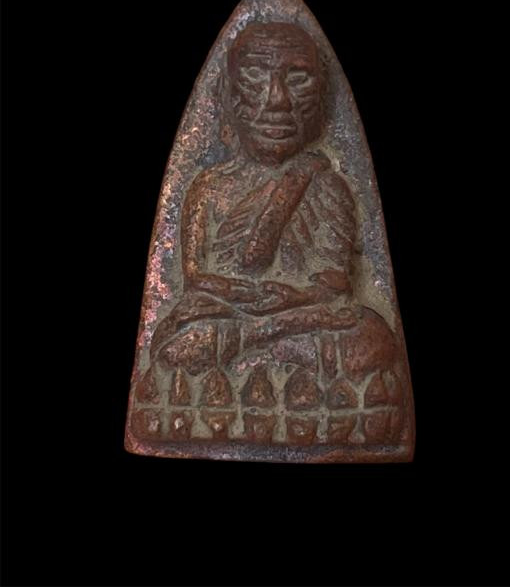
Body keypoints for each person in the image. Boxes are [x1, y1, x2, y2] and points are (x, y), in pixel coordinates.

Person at [134, 22, 404, 446]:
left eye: (298, 79)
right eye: (255, 76)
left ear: (321, 100)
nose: (277, 100)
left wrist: (290, 298)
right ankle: (302, 388)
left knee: (371, 337)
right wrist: (242, 295)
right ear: (229, 95)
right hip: (227, 314)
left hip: (298, 317)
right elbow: (196, 279)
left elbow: (335, 285)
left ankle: (237, 382)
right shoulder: (209, 187)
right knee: (178, 343)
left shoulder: (327, 184)